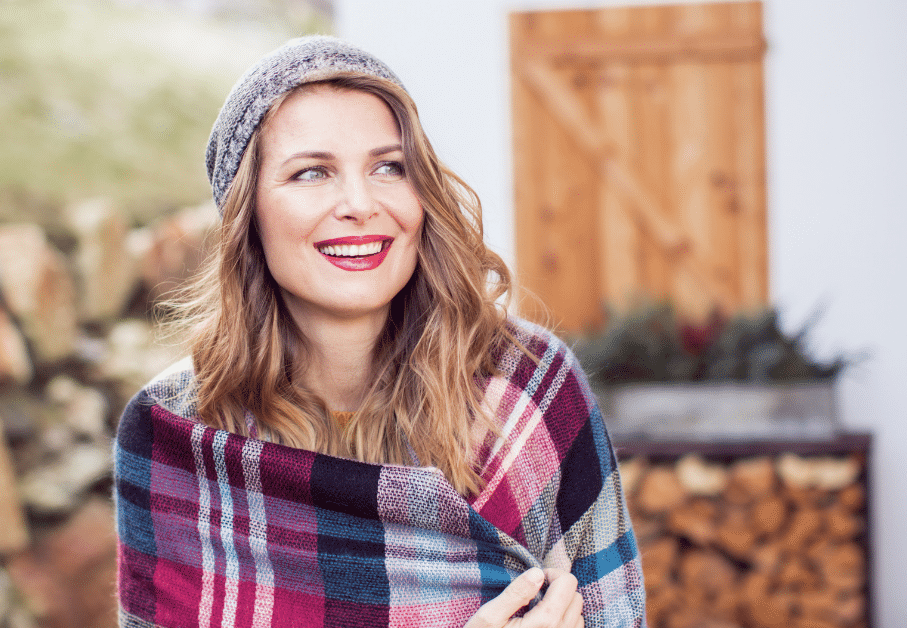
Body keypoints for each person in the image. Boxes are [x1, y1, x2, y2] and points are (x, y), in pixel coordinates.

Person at [113, 36, 646, 628]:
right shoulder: (176, 433)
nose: (360, 203)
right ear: (248, 215)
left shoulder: (530, 389)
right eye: (311, 173)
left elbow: (615, 612)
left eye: (389, 167)